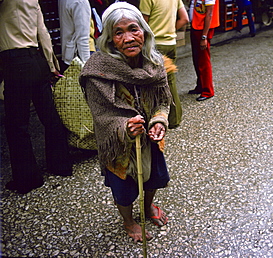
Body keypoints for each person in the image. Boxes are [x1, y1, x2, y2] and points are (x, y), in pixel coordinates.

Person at [79, 2, 172, 243]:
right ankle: (129, 221)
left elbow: (163, 100)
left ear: (144, 31)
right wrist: (124, 128)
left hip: (149, 138)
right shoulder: (97, 70)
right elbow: (101, 116)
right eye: (118, 33)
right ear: (109, 40)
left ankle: (148, 207)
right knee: (123, 189)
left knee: (154, 178)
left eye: (134, 29)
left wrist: (159, 120)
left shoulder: (154, 63)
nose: (129, 38)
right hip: (119, 143)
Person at [0, 0, 73, 194]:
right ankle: (61, 165)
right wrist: (51, 65)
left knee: (16, 125)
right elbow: (43, 32)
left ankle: (27, 179)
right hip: (37, 59)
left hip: (14, 62)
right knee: (50, 117)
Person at [139, 0, 189, 128]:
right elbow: (184, 19)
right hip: (171, 43)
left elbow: (142, 26)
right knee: (170, 81)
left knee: (154, 83)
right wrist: (171, 30)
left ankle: (160, 119)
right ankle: (175, 117)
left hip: (154, 45)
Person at [188, 0, 220, 101]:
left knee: (203, 60)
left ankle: (208, 90)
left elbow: (210, 13)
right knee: (197, 59)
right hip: (196, 26)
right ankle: (201, 85)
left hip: (202, 29)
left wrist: (204, 36)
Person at [58, 0, 92, 73]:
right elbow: (83, 38)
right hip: (78, 56)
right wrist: (87, 68)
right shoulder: (81, 2)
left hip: (68, 53)